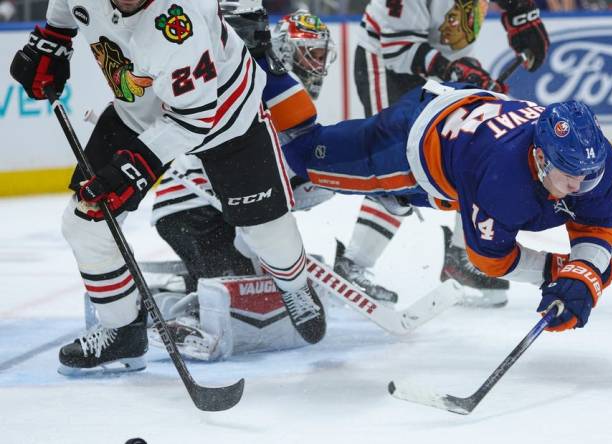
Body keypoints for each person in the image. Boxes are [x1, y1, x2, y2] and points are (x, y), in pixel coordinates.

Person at [9, 0, 325, 375]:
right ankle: (123, 329)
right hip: (137, 113)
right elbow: (63, 9)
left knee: (268, 229)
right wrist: (51, 39)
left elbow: (194, 120)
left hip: (225, 115)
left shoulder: (180, 21)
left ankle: (294, 284)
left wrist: (134, 169)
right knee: (84, 222)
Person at [285, 81, 612, 332]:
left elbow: (596, 227)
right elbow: (490, 260)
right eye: (569, 174)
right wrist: (556, 270)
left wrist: (583, 270)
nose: (580, 187)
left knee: (409, 194)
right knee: (304, 160)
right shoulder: (503, 179)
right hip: (409, 141)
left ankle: (393, 198)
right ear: (541, 157)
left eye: (588, 175)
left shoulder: (595, 163)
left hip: (461, 145)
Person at [142, 6, 338, 361]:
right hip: (192, 205)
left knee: (252, 268)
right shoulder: (246, 76)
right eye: (312, 54)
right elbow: (291, 160)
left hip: (220, 202)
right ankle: (181, 314)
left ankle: (170, 297)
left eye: (323, 57)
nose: (317, 65)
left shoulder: (272, 79)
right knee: (234, 291)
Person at [342, 0, 551, 307]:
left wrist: (522, 14)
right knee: (397, 163)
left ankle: (462, 257)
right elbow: (398, 49)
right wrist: (450, 68)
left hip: (449, 55)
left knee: (477, 142)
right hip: (387, 61)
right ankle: (353, 263)